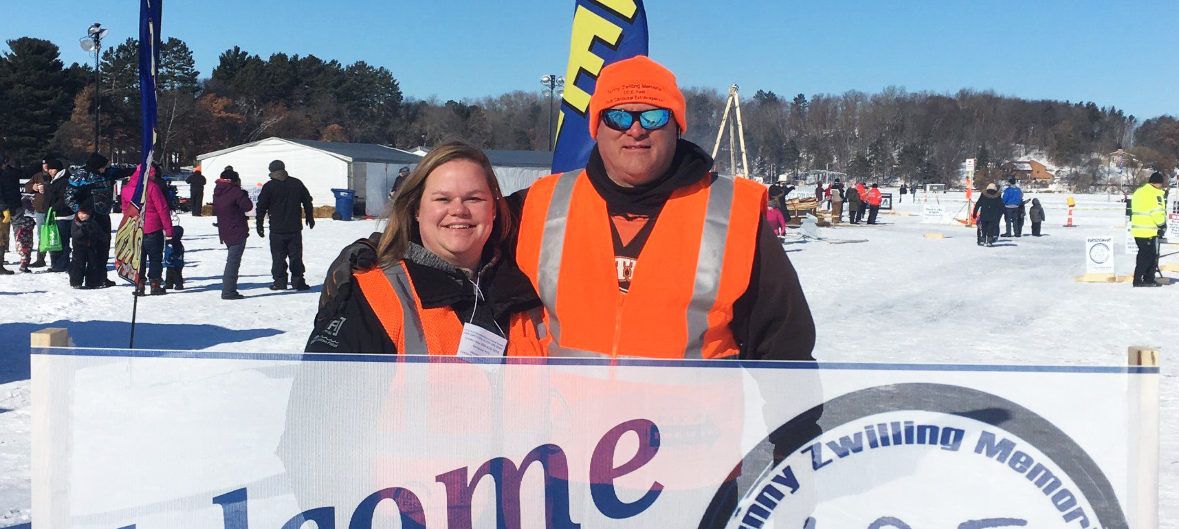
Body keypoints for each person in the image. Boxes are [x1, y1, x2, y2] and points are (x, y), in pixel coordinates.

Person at [509, 55, 814, 360]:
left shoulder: (734, 213)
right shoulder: (542, 204)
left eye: (654, 117)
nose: (637, 129)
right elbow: (477, 269)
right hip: (573, 407)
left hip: (693, 409)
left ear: (677, 127)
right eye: (618, 116)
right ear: (596, 127)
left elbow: (784, 345)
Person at [306, 142, 544, 356]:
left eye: (474, 199)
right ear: (417, 210)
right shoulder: (374, 295)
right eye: (443, 199)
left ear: (493, 209)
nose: (459, 210)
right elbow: (323, 398)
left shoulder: (530, 288)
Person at [65, 152, 136, 289]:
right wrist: (80, 211)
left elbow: (122, 170)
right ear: (97, 166)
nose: (105, 169)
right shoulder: (80, 176)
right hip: (87, 217)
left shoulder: (107, 173)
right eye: (103, 167)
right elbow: (68, 197)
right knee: (84, 250)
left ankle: (99, 279)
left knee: (103, 248)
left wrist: (141, 167)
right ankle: (77, 279)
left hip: (103, 215)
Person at [256, 159, 315, 291]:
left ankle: (280, 282)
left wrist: (259, 224)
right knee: (296, 255)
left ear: (271, 171)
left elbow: (261, 206)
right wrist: (310, 217)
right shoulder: (296, 183)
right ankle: (298, 281)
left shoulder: (269, 186)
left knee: (278, 256)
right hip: (294, 227)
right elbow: (307, 200)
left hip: (277, 228)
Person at [120, 163, 174, 295]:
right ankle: (155, 284)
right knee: (155, 258)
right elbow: (162, 209)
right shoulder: (152, 187)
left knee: (139, 258)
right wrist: (169, 229)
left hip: (135, 228)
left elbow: (125, 210)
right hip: (152, 228)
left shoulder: (127, 188)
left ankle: (140, 285)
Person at [214, 167, 253, 299]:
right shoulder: (235, 191)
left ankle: (229, 289)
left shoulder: (218, 191)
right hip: (236, 229)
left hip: (224, 229)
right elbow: (248, 206)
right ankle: (228, 290)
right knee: (233, 261)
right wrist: (243, 194)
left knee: (232, 260)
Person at [1130, 171, 1167, 287]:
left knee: (1145, 255)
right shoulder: (1154, 194)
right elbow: (1157, 212)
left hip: (1137, 230)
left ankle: (1147, 278)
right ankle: (1140, 279)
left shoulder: (1139, 192)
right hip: (1148, 231)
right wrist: (1162, 225)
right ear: (1158, 183)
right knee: (1148, 257)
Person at [43, 158, 73, 272]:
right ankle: (56, 263)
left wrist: (53, 207)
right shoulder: (53, 180)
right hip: (55, 215)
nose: (50, 171)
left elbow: (64, 199)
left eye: (52, 169)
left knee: (62, 241)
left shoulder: (63, 181)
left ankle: (62, 264)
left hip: (62, 215)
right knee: (55, 241)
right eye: (49, 169)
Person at [27, 160, 51, 267]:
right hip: (40, 210)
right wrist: (33, 187)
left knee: (55, 234)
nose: (45, 166)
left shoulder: (55, 175)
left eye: (47, 164)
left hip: (53, 210)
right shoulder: (37, 176)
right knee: (42, 235)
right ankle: (40, 259)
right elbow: (27, 187)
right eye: (43, 164)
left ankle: (59, 258)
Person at [11, 194, 37, 273]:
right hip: (22, 233)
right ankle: (24, 265)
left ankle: (25, 264)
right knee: (24, 249)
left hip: (23, 230)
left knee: (26, 248)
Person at [163, 224, 186, 290]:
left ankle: (178, 284)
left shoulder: (173, 243)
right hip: (175, 262)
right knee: (170, 274)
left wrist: (169, 259)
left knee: (176, 274)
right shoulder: (178, 243)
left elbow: (170, 252)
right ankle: (169, 284)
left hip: (173, 262)